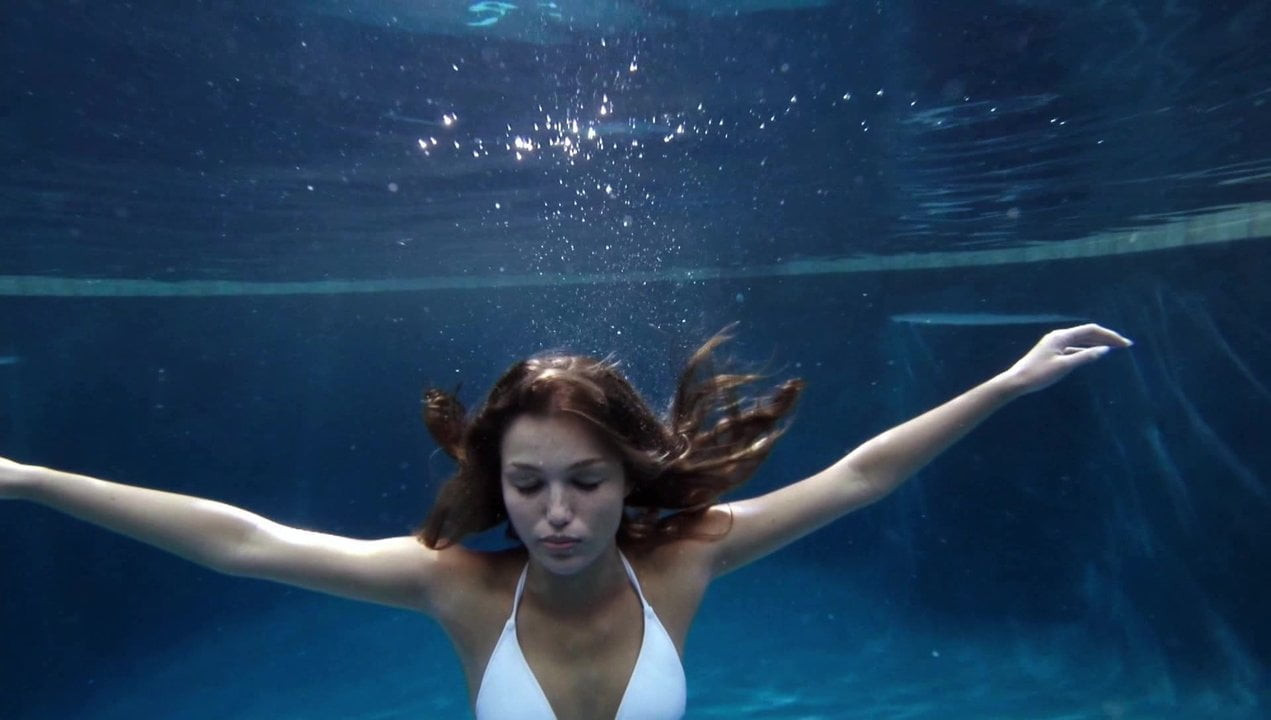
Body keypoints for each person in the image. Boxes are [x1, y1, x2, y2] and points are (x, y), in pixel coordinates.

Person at [0, 322, 1131, 720]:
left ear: (629, 479)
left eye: (586, 482)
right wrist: (32, 478)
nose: (554, 514)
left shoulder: (685, 558)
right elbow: (245, 544)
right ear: (494, 482)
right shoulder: (456, 586)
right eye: (527, 482)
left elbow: (860, 476)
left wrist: (1005, 381)